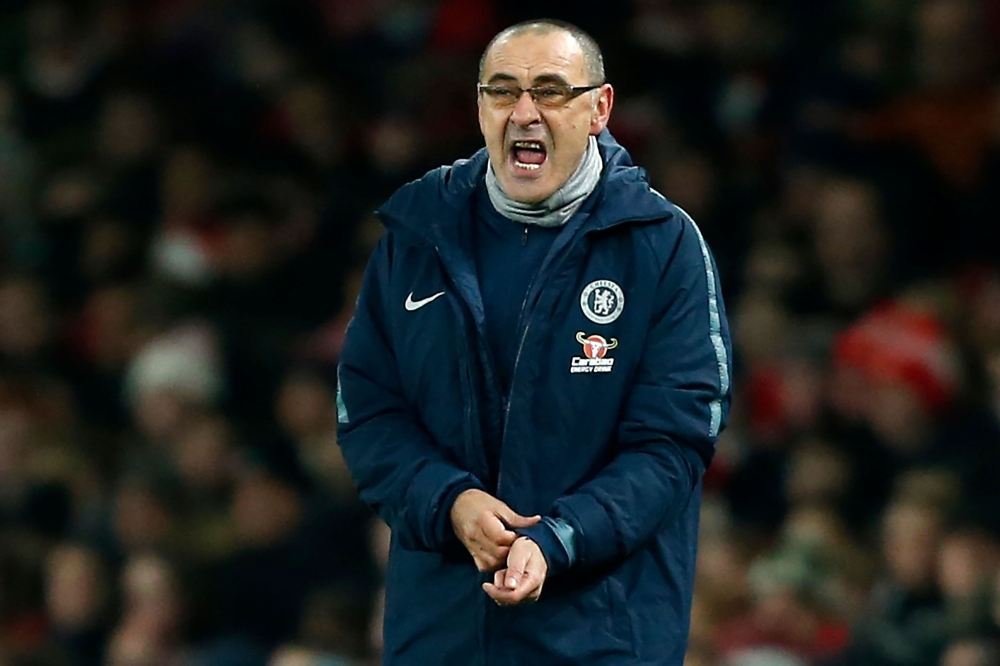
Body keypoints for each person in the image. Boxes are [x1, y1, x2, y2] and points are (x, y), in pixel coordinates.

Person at [335, 18, 732, 665]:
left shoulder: (662, 247)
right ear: (480, 106)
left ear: (599, 108)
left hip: (601, 635)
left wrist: (559, 538)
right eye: (502, 91)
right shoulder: (415, 239)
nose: (524, 112)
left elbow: (674, 441)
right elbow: (370, 413)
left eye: (550, 90)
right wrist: (448, 500)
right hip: (441, 633)